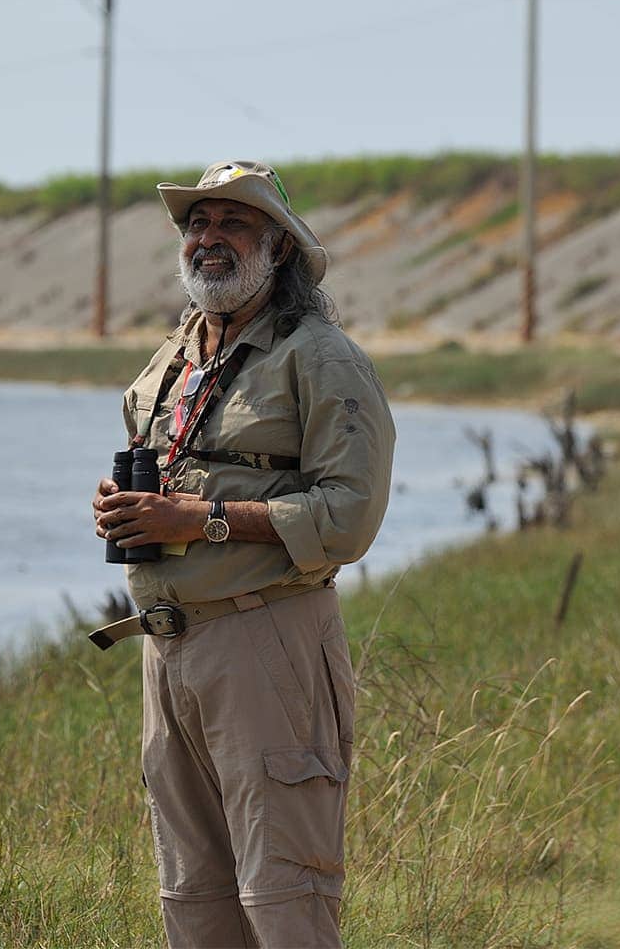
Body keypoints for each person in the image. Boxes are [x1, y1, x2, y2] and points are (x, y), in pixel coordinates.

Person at [91, 160, 396, 948]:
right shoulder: (174, 355)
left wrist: (202, 520)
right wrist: (126, 508)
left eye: (234, 223)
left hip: (268, 640)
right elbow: (174, 470)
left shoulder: (321, 358)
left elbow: (350, 517)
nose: (209, 239)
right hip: (168, 649)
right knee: (194, 900)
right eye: (198, 223)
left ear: (279, 247)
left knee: (285, 896)